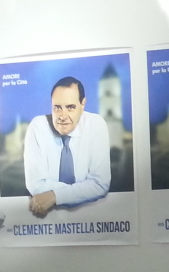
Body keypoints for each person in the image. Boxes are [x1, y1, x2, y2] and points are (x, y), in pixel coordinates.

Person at [23, 76, 111, 217]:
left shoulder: (96, 125)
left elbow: (100, 184)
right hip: (46, 218)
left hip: (90, 215)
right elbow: (36, 184)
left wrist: (54, 196)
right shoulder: (38, 127)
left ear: (82, 105)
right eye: (57, 108)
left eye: (70, 107)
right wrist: (83, 190)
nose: (63, 116)